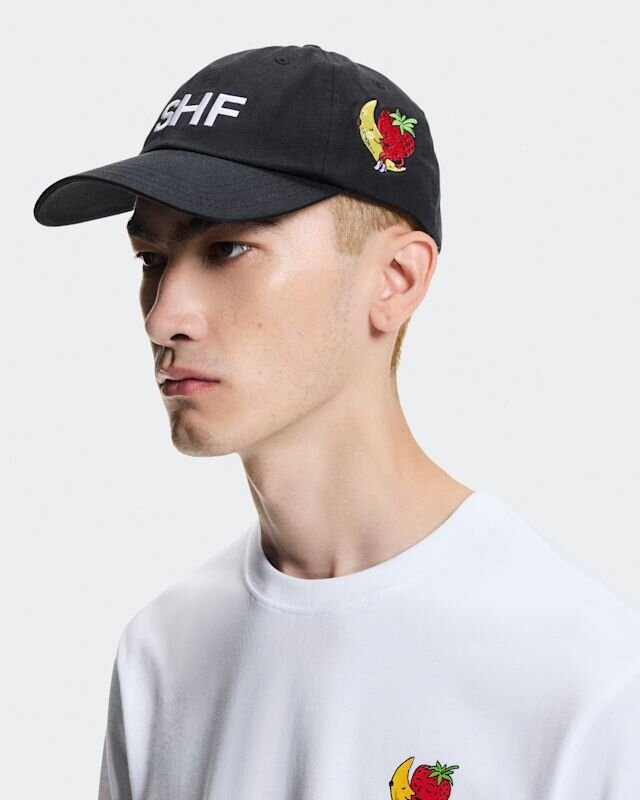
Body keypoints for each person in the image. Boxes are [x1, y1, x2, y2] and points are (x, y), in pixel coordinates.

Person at [33, 44, 640, 800]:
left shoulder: (588, 681)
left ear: (396, 279)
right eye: (152, 258)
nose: (164, 316)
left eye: (228, 248)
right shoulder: (162, 653)